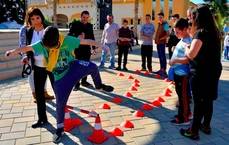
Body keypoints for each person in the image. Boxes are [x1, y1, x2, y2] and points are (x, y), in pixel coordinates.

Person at [5, 26, 114, 143]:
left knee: (92, 66)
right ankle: (60, 129)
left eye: (54, 47)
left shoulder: (67, 40)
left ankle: (99, 86)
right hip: (60, 78)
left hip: (73, 67)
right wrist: (13, 52)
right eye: (48, 47)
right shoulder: (41, 44)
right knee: (60, 104)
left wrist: (102, 46)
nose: (51, 49)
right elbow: (27, 48)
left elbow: (86, 41)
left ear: (58, 40)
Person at [178, 5, 222, 140]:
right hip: (214, 70)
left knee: (199, 102)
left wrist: (186, 47)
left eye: (194, 16)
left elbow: (191, 54)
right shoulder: (215, 31)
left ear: (198, 17)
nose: (192, 18)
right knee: (208, 100)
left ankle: (193, 131)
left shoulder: (201, 32)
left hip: (201, 72)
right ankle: (206, 126)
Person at [19, 7, 54, 103]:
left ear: (41, 17)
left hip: (46, 58)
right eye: (32, 19)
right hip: (31, 57)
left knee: (44, 76)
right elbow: (22, 43)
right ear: (29, 19)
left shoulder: (47, 27)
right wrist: (24, 56)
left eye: (37, 18)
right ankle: (35, 94)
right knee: (32, 75)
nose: (35, 21)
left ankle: (44, 92)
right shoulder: (25, 29)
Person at [169, 18, 192, 125]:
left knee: (183, 96)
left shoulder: (189, 41)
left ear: (185, 30)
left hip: (183, 75)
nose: (176, 34)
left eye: (178, 32)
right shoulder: (182, 39)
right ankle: (187, 113)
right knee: (181, 95)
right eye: (175, 32)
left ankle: (184, 118)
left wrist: (175, 60)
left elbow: (188, 59)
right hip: (178, 73)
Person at [68, 10, 96, 91]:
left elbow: (92, 36)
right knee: (77, 67)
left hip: (87, 49)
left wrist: (93, 48)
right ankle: (76, 84)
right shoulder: (75, 24)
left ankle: (84, 81)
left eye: (87, 18)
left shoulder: (90, 26)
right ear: (81, 17)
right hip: (77, 49)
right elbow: (69, 35)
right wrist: (77, 36)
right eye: (84, 17)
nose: (85, 19)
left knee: (86, 66)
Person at [154, 12, 169, 77]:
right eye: (159, 17)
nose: (159, 18)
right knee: (160, 56)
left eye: (161, 17)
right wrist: (156, 39)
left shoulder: (165, 24)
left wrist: (160, 39)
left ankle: (164, 71)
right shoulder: (159, 24)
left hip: (162, 43)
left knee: (163, 57)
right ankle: (161, 69)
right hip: (158, 43)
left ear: (163, 17)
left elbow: (167, 34)